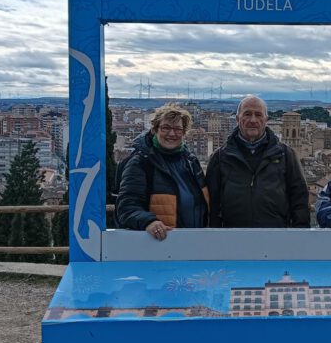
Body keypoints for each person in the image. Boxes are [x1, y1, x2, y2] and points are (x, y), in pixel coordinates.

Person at [206, 95, 310, 228]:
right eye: (247, 114)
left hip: (276, 236)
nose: (253, 120)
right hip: (232, 237)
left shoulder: (286, 155)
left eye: (258, 115)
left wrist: (300, 234)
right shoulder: (220, 157)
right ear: (238, 119)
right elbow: (212, 204)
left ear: (266, 120)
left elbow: (300, 200)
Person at [116, 104, 208, 240]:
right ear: (155, 129)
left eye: (177, 129)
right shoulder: (141, 163)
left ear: (184, 133)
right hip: (160, 243)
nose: (172, 134)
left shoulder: (191, 162)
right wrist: (149, 222)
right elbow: (127, 206)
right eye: (166, 128)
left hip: (195, 241)